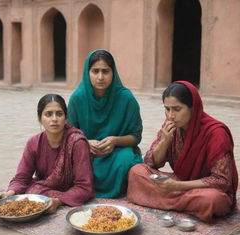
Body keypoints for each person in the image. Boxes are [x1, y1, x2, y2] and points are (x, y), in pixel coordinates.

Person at [127, 81, 238, 223]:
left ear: (193, 108)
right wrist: (165, 141)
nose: (170, 115)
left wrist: (177, 186)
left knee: (213, 200)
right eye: (167, 109)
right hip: (179, 182)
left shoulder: (216, 133)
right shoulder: (170, 126)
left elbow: (221, 180)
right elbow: (151, 162)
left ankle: (165, 199)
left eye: (177, 109)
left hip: (205, 189)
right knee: (136, 171)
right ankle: (186, 205)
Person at [0, 94, 93, 213]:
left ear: (66, 118)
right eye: (48, 114)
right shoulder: (33, 142)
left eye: (59, 114)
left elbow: (84, 187)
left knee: (33, 192)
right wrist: (10, 193)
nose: (54, 119)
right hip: (44, 190)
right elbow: (22, 177)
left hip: (71, 191)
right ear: (40, 118)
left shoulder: (77, 142)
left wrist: (58, 201)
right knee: (31, 192)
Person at [68, 49, 143, 198]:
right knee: (70, 163)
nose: (100, 77)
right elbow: (68, 134)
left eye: (105, 71)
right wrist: (85, 143)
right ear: (87, 72)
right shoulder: (78, 98)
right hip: (87, 153)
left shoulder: (126, 98)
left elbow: (136, 136)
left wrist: (115, 141)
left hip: (116, 152)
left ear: (113, 72)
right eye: (95, 71)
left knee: (127, 159)